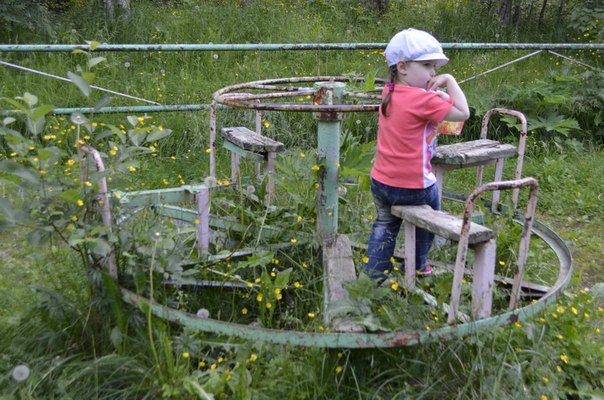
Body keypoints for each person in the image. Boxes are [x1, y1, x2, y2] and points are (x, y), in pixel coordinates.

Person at [363, 28, 470, 282]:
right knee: (429, 213)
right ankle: (420, 263)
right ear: (402, 66)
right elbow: (463, 112)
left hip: (381, 181)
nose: (434, 73)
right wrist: (450, 81)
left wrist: (437, 93)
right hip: (413, 186)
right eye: (427, 65)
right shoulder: (423, 100)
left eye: (435, 67)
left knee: (384, 226)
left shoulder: (389, 91)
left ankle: (372, 278)